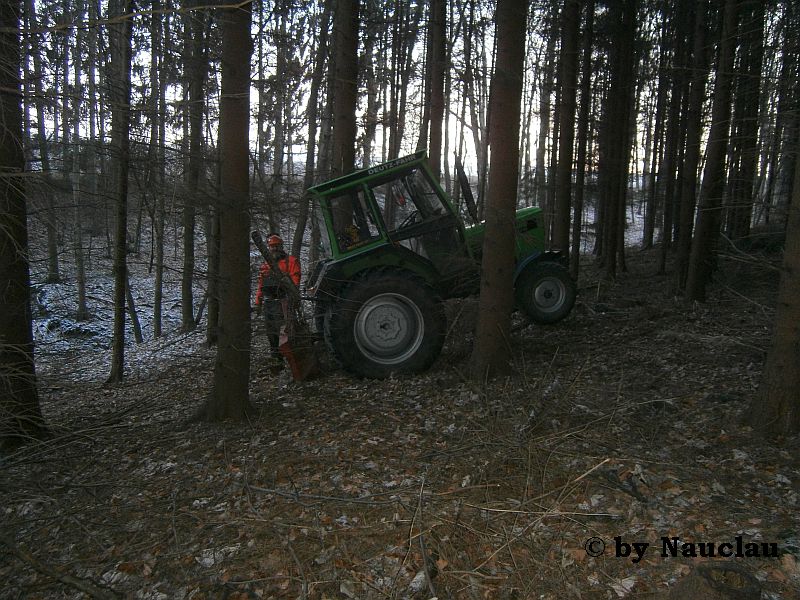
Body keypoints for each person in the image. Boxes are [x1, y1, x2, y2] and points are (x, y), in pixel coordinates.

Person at [255, 234, 301, 361]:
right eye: (271, 247)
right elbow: (261, 285)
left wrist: (291, 294)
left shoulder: (291, 261)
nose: (274, 249)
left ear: (281, 246)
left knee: (286, 330)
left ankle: (292, 357)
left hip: (284, 301)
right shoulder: (265, 266)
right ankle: (276, 359)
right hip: (269, 302)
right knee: (271, 332)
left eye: (276, 246)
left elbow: (295, 281)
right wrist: (258, 302)